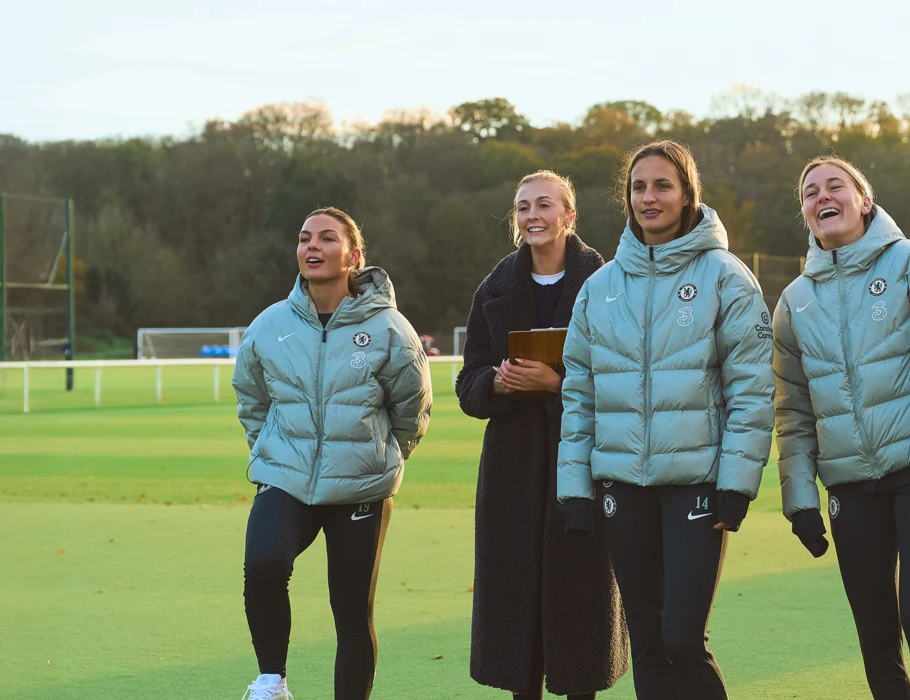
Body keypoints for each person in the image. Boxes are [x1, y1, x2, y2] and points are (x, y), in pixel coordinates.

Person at [555, 141, 774, 700]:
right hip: (621, 486)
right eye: (638, 187)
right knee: (648, 643)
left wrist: (737, 484)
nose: (648, 197)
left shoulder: (726, 277)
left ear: (687, 195)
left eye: (662, 185)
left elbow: (752, 391)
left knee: (682, 639)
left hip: (696, 485)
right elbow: (579, 393)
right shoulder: (600, 287)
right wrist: (575, 487)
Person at [770, 156, 910, 699]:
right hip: (850, 488)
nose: (821, 196)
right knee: (875, 633)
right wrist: (799, 499)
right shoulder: (794, 301)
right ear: (805, 213)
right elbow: (793, 409)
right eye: (809, 192)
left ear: (865, 200)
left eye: (835, 185)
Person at [231, 206, 433, 700]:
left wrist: (378, 458)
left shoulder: (390, 328)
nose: (312, 247)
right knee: (263, 564)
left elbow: (412, 410)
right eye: (305, 238)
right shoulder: (270, 324)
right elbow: (252, 399)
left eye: (326, 238)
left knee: (351, 611)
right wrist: (274, 452)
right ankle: (271, 681)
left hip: (361, 485)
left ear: (354, 256)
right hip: (286, 477)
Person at [458, 171, 628, 699]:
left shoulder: (608, 282)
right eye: (523, 207)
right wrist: (496, 383)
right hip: (511, 469)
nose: (532, 215)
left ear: (569, 215)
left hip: (587, 461)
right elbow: (468, 382)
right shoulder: (493, 287)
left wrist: (557, 384)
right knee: (516, 608)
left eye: (544, 205)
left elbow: (626, 378)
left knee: (582, 603)